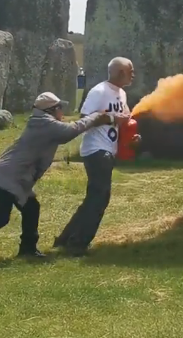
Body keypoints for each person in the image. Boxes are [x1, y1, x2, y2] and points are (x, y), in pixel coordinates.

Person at [0, 93, 114, 265]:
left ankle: (28, 248)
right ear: (52, 110)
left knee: (31, 207)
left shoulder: (41, 122)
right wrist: (96, 117)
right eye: (60, 108)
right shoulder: (45, 124)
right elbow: (70, 131)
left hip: (12, 176)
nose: (62, 111)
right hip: (9, 177)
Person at [53, 57, 140, 256]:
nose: (133, 74)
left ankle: (65, 239)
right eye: (130, 70)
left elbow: (124, 122)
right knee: (100, 198)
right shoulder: (99, 91)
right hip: (96, 150)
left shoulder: (122, 94)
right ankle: (78, 245)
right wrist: (111, 118)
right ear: (120, 73)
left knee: (93, 198)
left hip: (109, 150)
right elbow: (84, 118)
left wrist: (133, 138)